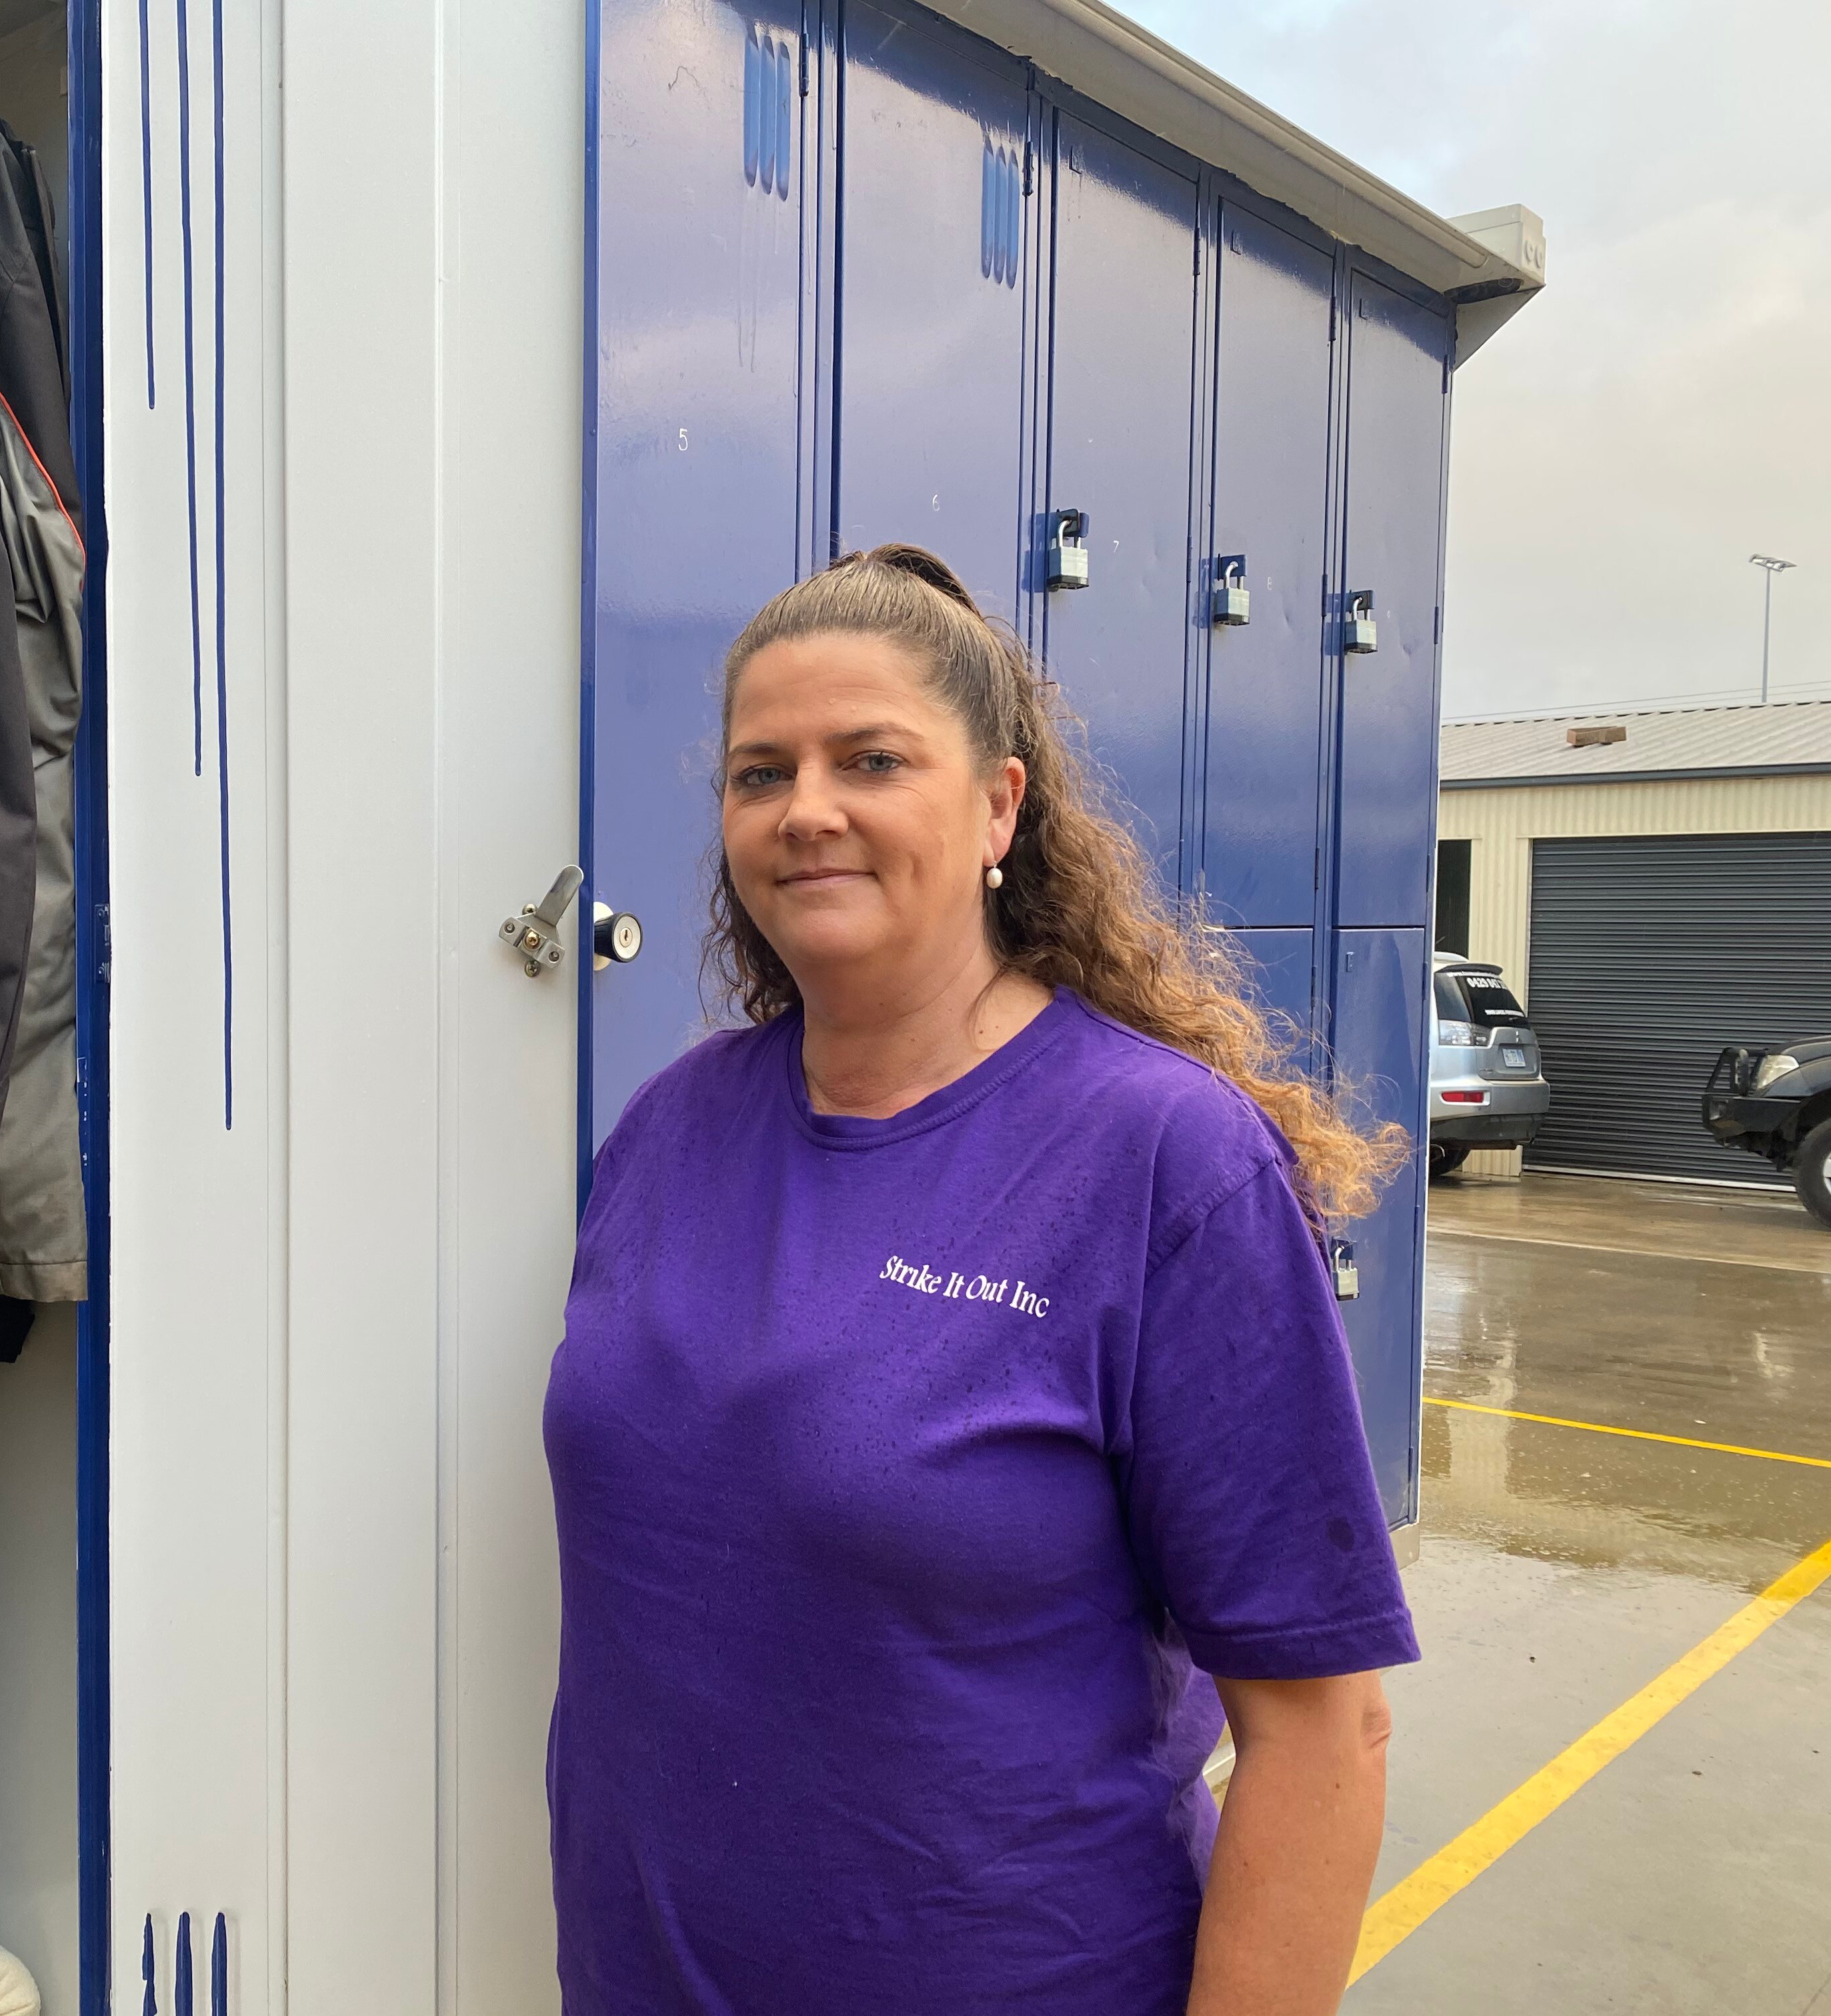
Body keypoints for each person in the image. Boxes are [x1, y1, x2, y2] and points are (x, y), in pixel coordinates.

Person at [544, 545, 1417, 2014]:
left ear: (1001, 802)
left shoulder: (1164, 1166)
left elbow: (1324, 1737)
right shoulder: (667, 1129)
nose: (807, 809)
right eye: (761, 773)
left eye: (871, 759)